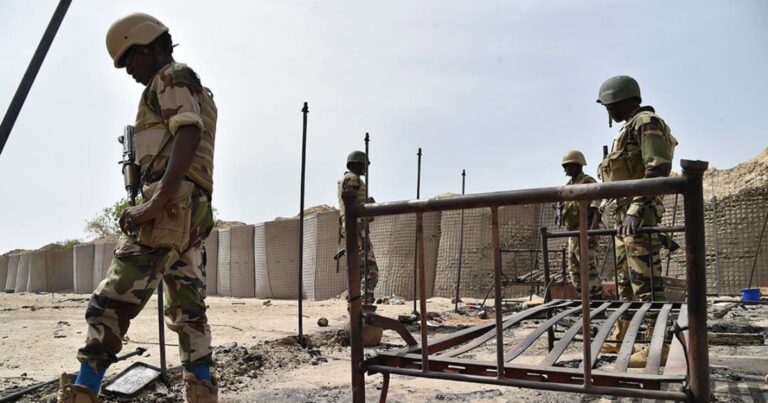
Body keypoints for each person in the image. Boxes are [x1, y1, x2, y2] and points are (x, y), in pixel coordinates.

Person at [58, 13, 218, 403]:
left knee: (109, 304)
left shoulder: (171, 77)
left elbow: (188, 131)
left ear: (147, 46)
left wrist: (154, 203)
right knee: (188, 310)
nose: (128, 70)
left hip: (170, 207)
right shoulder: (197, 89)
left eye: (129, 59)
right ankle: (201, 391)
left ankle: (84, 390)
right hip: (192, 211)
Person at [594, 75, 677, 366]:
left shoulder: (646, 122)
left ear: (622, 100)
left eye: (609, 105)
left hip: (639, 218)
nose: (608, 111)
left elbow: (658, 168)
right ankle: (624, 339)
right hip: (624, 219)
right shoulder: (627, 129)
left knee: (647, 284)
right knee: (625, 285)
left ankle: (657, 346)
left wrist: (635, 209)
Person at [559, 150, 604, 300]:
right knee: (574, 270)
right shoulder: (568, 186)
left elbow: (597, 207)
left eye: (568, 166)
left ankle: (596, 300)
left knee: (588, 268)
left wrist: (593, 232)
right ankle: (585, 300)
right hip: (573, 233)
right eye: (564, 166)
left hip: (585, 230)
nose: (565, 169)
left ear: (578, 165)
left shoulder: (588, 182)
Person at [337, 151, 379, 305]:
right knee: (370, 270)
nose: (365, 169)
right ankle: (365, 303)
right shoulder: (352, 179)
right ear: (357, 163)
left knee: (358, 269)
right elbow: (351, 204)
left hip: (354, 229)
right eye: (363, 165)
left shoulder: (348, 179)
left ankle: (356, 304)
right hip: (357, 229)